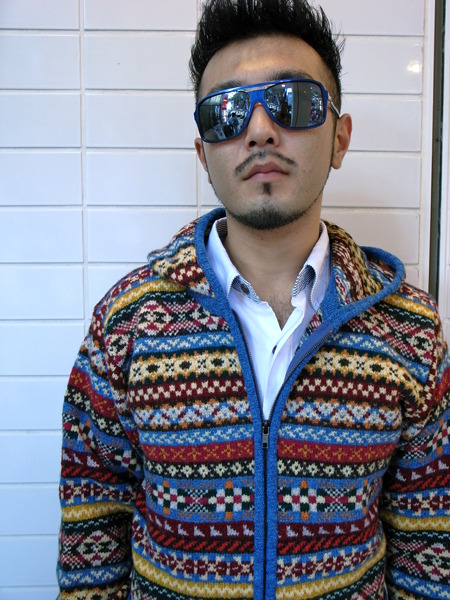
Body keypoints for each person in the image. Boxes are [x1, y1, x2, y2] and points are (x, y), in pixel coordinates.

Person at [57, 0, 450, 598]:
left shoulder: (411, 332)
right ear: (204, 154)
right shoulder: (127, 324)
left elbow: (430, 543)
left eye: (294, 102)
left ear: (340, 138)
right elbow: (92, 531)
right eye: (227, 112)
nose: (260, 130)